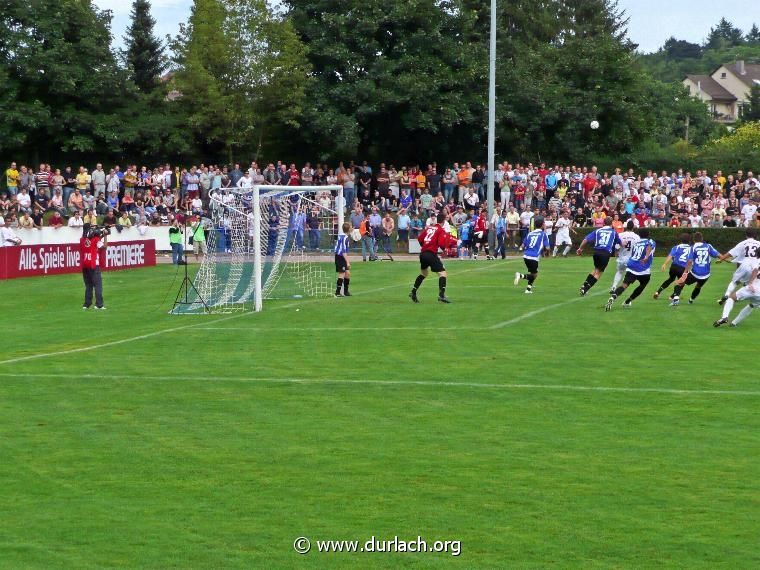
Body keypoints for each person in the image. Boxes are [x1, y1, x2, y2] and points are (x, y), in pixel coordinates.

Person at [409, 212, 456, 304]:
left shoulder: (429, 228)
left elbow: (420, 239)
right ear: (444, 221)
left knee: (424, 273)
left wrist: (425, 246)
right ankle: (441, 295)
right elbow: (442, 244)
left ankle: (413, 292)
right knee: (443, 273)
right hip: (430, 254)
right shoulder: (440, 230)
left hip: (423, 254)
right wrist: (446, 250)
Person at [605, 229, 656, 311]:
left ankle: (612, 298)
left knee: (624, 285)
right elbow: (649, 247)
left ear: (639, 235)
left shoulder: (637, 243)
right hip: (643, 268)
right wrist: (646, 257)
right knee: (642, 285)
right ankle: (627, 301)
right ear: (649, 234)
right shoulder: (650, 241)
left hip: (631, 265)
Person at [670, 232, 720, 306]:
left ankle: (676, 299)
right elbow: (718, 255)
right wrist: (726, 259)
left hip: (695, 273)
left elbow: (690, 261)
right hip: (706, 274)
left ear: (694, 240)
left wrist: (685, 273)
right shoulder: (708, 246)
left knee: (678, 282)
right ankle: (691, 300)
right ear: (702, 239)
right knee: (698, 286)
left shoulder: (693, 247)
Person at [576, 217, 622, 296]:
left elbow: (585, 240)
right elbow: (620, 243)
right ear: (612, 223)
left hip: (596, 252)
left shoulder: (597, 231)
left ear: (604, 223)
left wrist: (580, 249)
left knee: (596, 269)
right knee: (599, 273)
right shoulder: (613, 232)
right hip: (605, 253)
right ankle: (585, 289)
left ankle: (584, 285)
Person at [714, 253, 760, 327]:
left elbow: (755, 269)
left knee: (732, 298)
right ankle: (734, 323)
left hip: (752, 288)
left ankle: (724, 317)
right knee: (751, 305)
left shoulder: (756, 260)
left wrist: (750, 283)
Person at [716, 229, 760, 305]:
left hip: (745, 264)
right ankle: (750, 299)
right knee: (751, 282)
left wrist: (721, 259)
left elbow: (731, 253)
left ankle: (727, 295)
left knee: (735, 282)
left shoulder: (743, 243)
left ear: (746, 235)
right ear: (755, 236)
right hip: (756, 266)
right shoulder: (759, 243)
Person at [514, 216, 550, 294]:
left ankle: (528, 289)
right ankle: (520, 276)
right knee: (535, 275)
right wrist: (547, 253)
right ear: (542, 225)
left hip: (526, 256)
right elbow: (547, 247)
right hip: (533, 257)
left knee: (532, 273)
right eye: (544, 224)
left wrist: (520, 250)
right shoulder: (543, 234)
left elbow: (523, 245)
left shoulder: (530, 233)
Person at [653, 233, 692, 300]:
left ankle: (658, 292)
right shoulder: (691, 248)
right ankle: (673, 296)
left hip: (674, 266)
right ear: (689, 240)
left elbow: (670, 256)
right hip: (683, 268)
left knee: (670, 279)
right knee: (681, 282)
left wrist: (665, 264)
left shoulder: (676, 247)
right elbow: (691, 260)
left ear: (681, 240)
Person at [80, 225, 107, 310]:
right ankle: (99, 305)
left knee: (88, 285)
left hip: (85, 265)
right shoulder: (96, 240)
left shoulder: (82, 240)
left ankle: (86, 304)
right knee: (98, 285)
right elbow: (104, 246)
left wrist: (100, 236)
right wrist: (105, 236)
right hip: (93, 265)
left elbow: (90, 241)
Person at [610, 221, 639, 293]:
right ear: (633, 227)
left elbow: (617, 245)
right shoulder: (637, 237)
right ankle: (624, 288)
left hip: (622, 258)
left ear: (626, 227)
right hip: (631, 259)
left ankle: (614, 286)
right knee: (631, 274)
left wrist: (616, 252)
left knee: (619, 272)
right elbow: (637, 248)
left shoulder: (620, 235)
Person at [334, 222, 352, 297]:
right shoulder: (345, 238)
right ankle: (337, 292)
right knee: (342, 273)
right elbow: (344, 251)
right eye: (351, 227)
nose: (352, 228)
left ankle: (345, 291)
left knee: (347, 273)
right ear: (349, 229)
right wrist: (347, 262)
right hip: (340, 257)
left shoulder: (341, 235)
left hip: (340, 256)